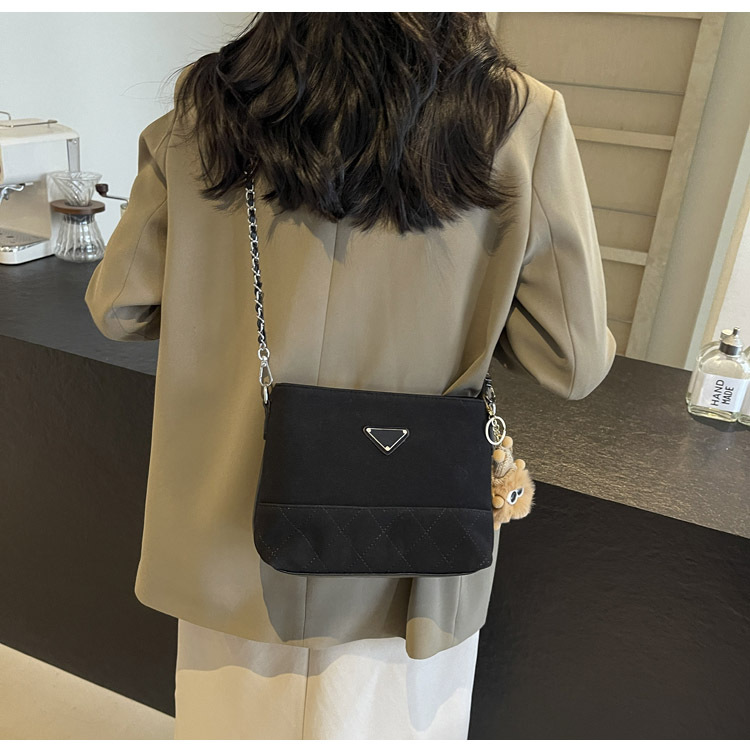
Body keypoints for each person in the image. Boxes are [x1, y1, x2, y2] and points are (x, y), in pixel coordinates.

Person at [84, 12, 616, 740]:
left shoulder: (212, 104)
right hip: (411, 563)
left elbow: (118, 307)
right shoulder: (519, 117)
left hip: (235, 549)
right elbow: (573, 361)